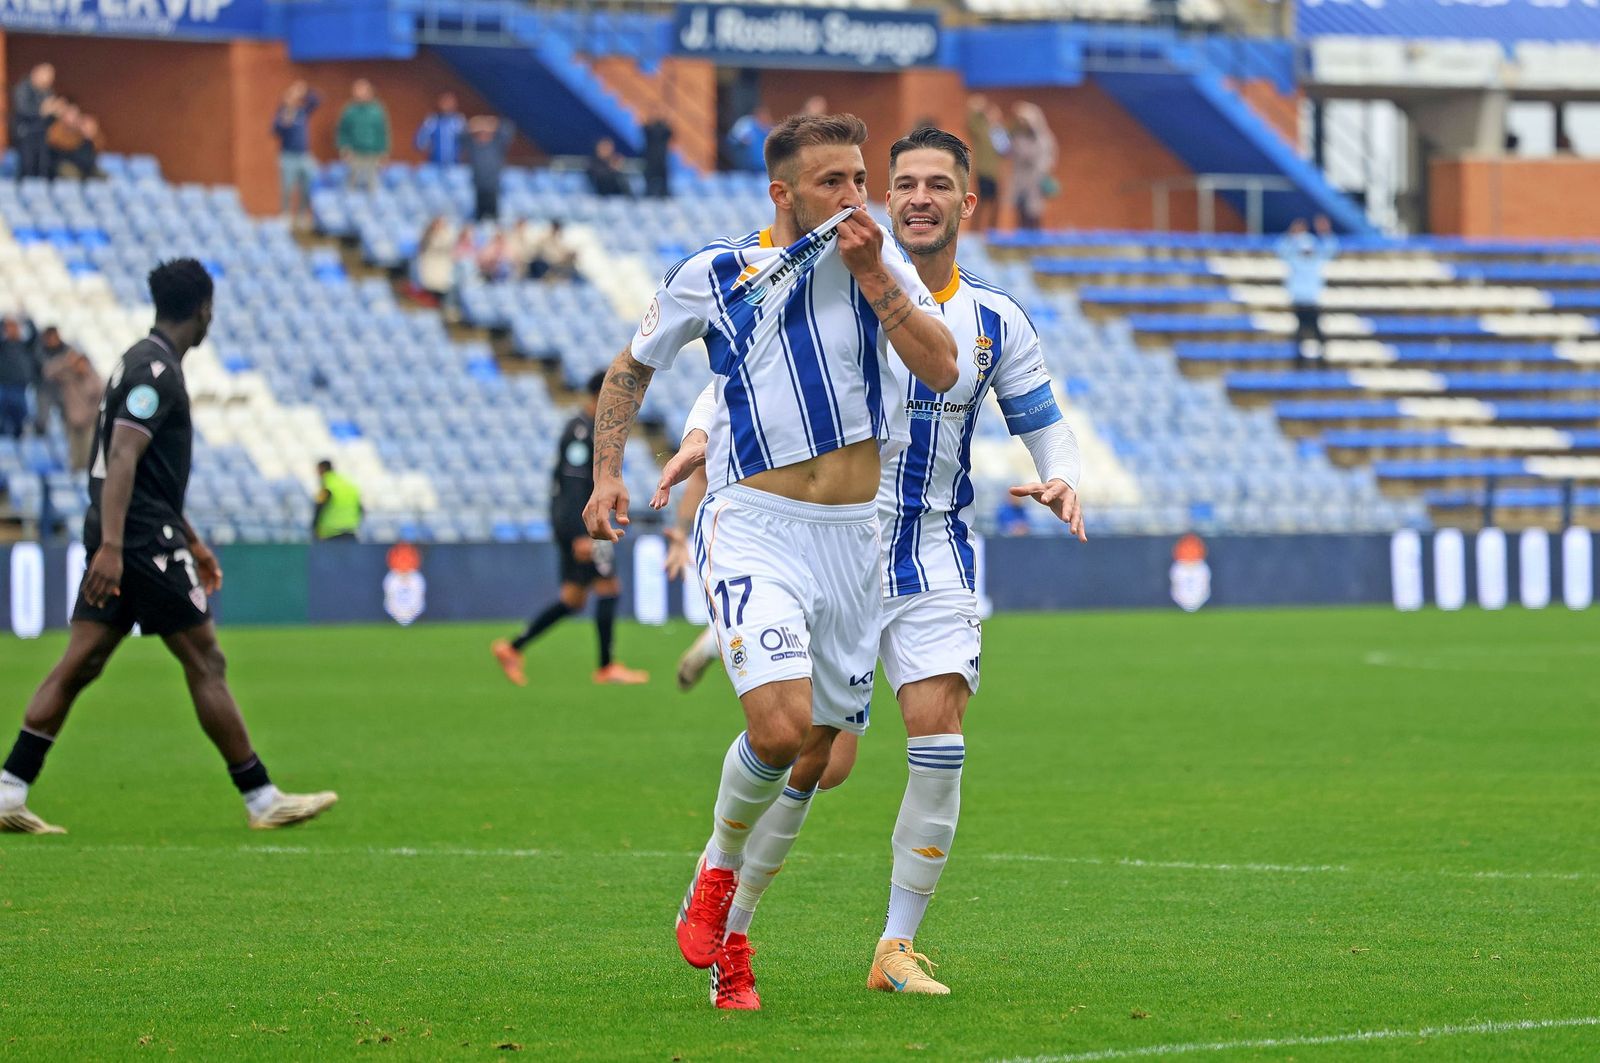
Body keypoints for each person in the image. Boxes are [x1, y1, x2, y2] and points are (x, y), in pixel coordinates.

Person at [658, 126, 1085, 998]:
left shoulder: (995, 319)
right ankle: (732, 925)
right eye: (905, 184)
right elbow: (744, 366)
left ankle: (895, 945)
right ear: (885, 199)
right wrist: (701, 432)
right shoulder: (821, 278)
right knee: (817, 756)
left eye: (938, 185)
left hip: (929, 543)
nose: (918, 197)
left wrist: (1062, 476)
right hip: (830, 538)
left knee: (939, 727)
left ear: (968, 203)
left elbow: (1043, 417)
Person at [584, 112, 957, 1011]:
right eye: (835, 183)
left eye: (862, 179)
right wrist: (606, 476)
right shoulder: (716, 275)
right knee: (782, 727)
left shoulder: (878, 264)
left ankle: (736, 936)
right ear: (783, 194)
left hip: (853, 537)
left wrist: (878, 278)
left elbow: (942, 367)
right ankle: (714, 872)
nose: (856, 199)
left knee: (824, 760)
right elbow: (629, 369)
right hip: (752, 521)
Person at [0, 259, 338, 835]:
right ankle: (261, 797)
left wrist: (194, 541)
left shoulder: (140, 361)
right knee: (205, 657)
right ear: (204, 309)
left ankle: (9, 790)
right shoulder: (156, 371)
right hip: (137, 540)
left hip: (136, 531)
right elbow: (125, 458)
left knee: (83, 660)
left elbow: (147, 471)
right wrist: (113, 547)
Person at [490, 371, 649, 687]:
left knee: (573, 599)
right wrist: (580, 533)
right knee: (609, 587)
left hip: (580, 525)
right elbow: (574, 487)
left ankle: (512, 647)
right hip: (584, 526)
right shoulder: (581, 432)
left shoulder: (588, 430)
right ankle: (606, 667)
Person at [1277, 215, 1338, 367]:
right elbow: (1280, 249)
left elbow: (1332, 249)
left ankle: (1320, 358)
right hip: (1299, 300)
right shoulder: (1295, 259)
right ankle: (1300, 360)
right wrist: (1291, 234)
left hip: (1311, 300)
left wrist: (1325, 232)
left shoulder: (1315, 259)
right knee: (1301, 332)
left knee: (1315, 331)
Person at [45, 348, 101, 473]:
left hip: (88, 424)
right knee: (75, 458)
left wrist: (90, 417)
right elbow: (49, 372)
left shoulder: (94, 379)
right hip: (71, 423)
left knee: (88, 456)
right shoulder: (68, 377)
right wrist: (66, 361)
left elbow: (99, 400)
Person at [272, 81, 320, 226]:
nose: (293, 99)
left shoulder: (302, 112)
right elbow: (275, 130)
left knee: (308, 185)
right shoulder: (282, 113)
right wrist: (285, 119)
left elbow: (316, 100)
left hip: (304, 155)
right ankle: (285, 214)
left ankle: (302, 214)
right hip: (288, 156)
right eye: (290, 96)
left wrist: (304, 91)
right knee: (287, 187)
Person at [1008, 102, 1057, 231]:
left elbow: (1047, 158)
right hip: (1020, 181)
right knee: (1021, 215)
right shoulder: (1018, 137)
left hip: (1035, 181)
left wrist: (1040, 172)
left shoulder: (1043, 139)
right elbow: (1005, 150)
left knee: (1034, 215)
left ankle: (1035, 244)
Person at [336, 79, 389, 192]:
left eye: (362, 90)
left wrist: (384, 152)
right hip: (354, 154)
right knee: (352, 186)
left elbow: (382, 132)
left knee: (373, 186)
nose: (358, 93)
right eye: (356, 90)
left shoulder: (377, 110)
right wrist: (344, 148)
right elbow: (342, 131)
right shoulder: (349, 110)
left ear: (369, 91)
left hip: (373, 154)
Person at [11, 64, 59, 181]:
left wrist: (56, 111)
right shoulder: (23, 88)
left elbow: (50, 117)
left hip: (42, 135)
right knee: (28, 167)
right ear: (36, 74)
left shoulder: (48, 92)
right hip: (26, 134)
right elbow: (23, 110)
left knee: (42, 167)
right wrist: (41, 111)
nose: (48, 82)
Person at [966, 97, 1007, 234]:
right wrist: (977, 110)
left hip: (995, 173)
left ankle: (992, 231)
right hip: (983, 171)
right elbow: (971, 123)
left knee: (995, 203)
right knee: (980, 202)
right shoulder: (981, 129)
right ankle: (975, 232)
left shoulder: (999, 132)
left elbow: (1006, 149)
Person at [465, 116, 514, 222]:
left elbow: (508, 128)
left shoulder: (496, 144)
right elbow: (461, 134)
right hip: (478, 188)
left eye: (485, 131)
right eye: (481, 132)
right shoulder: (473, 145)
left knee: (494, 219)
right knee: (478, 219)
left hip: (493, 188)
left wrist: (491, 123)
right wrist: (475, 124)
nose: (483, 133)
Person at [31, 325, 69, 435]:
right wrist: (61, 365)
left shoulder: (66, 349)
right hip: (44, 390)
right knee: (41, 420)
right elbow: (46, 369)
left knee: (69, 418)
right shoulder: (39, 350)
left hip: (62, 389)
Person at [312, 459, 362, 541]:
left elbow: (319, 506)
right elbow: (360, 508)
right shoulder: (348, 484)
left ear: (322, 469)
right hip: (350, 531)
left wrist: (314, 527)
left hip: (330, 533)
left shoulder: (327, 484)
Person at [0, 317, 32, 439]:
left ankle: (17, 437)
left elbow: (33, 335)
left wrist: (25, 317)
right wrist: (4, 321)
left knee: (20, 416)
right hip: (3, 386)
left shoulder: (25, 345)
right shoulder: (3, 345)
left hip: (20, 387)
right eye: (9, 328)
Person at [415, 92, 466, 167]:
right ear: (439, 103)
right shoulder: (432, 120)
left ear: (455, 104)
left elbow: (467, 143)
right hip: (434, 166)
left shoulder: (459, 121)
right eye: (444, 102)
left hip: (455, 167)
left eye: (450, 102)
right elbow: (419, 143)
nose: (447, 105)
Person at [414, 216, 457, 302]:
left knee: (441, 295)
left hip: (442, 272)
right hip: (429, 270)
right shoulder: (427, 235)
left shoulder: (447, 235)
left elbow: (450, 242)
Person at [724, 106, 771, 174]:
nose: (764, 118)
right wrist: (742, 140)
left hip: (764, 168)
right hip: (747, 169)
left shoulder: (767, 128)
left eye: (766, 116)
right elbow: (731, 139)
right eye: (762, 115)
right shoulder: (746, 124)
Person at [642, 112, 673, 198]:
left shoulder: (655, 133)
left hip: (659, 162)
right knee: (649, 185)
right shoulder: (652, 133)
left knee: (663, 186)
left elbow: (670, 132)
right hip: (654, 162)